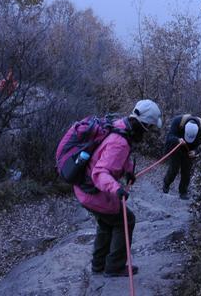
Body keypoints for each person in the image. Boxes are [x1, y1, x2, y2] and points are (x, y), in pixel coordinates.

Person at [74, 99, 162, 277]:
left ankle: (98, 265)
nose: (150, 132)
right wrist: (116, 189)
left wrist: (128, 170)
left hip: (84, 188)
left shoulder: (120, 126)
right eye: (150, 127)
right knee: (126, 220)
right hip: (93, 191)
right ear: (143, 125)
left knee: (107, 222)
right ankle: (114, 267)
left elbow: (116, 155)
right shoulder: (120, 141)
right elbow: (99, 172)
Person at [162, 114, 201, 200]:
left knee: (186, 172)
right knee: (174, 169)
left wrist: (196, 151)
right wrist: (177, 139)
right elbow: (169, 137)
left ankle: (183, 192)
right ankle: (166, 184)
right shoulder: (178, 121)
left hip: (190, 151)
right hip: (177, 147)